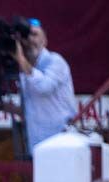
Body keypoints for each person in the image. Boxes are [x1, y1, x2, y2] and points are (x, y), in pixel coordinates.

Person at [16, 21, 76, 150]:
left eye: (34, 35)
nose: (30, 40)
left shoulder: (55, 61)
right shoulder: (24, 69)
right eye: (26, 36)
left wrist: (20, 59)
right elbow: (33, 107)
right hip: (37, 145)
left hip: (62, 143)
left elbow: (43, 87)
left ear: (45, 41)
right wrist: (3, 106)